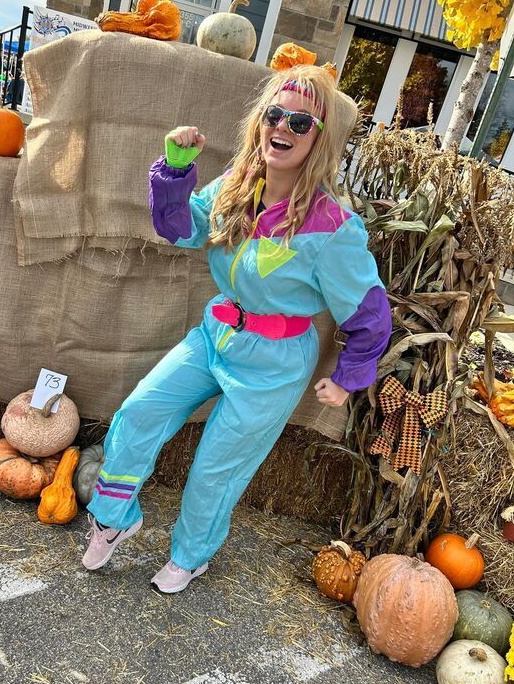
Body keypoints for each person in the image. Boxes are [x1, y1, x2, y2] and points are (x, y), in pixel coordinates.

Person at [81, 65, 392, 594]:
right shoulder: (236, 186)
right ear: (259, 122)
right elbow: (183, 231)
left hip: (273, 363)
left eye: (301, 122)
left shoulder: (332, 227)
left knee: (215, 469)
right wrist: (176, 175)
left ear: (320, 140)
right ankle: (113, 516)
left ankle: (192, 555)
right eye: (275, 115)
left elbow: (368, 310)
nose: (284, 128)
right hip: (215, 333)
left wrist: (348, 375)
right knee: (141, 409)